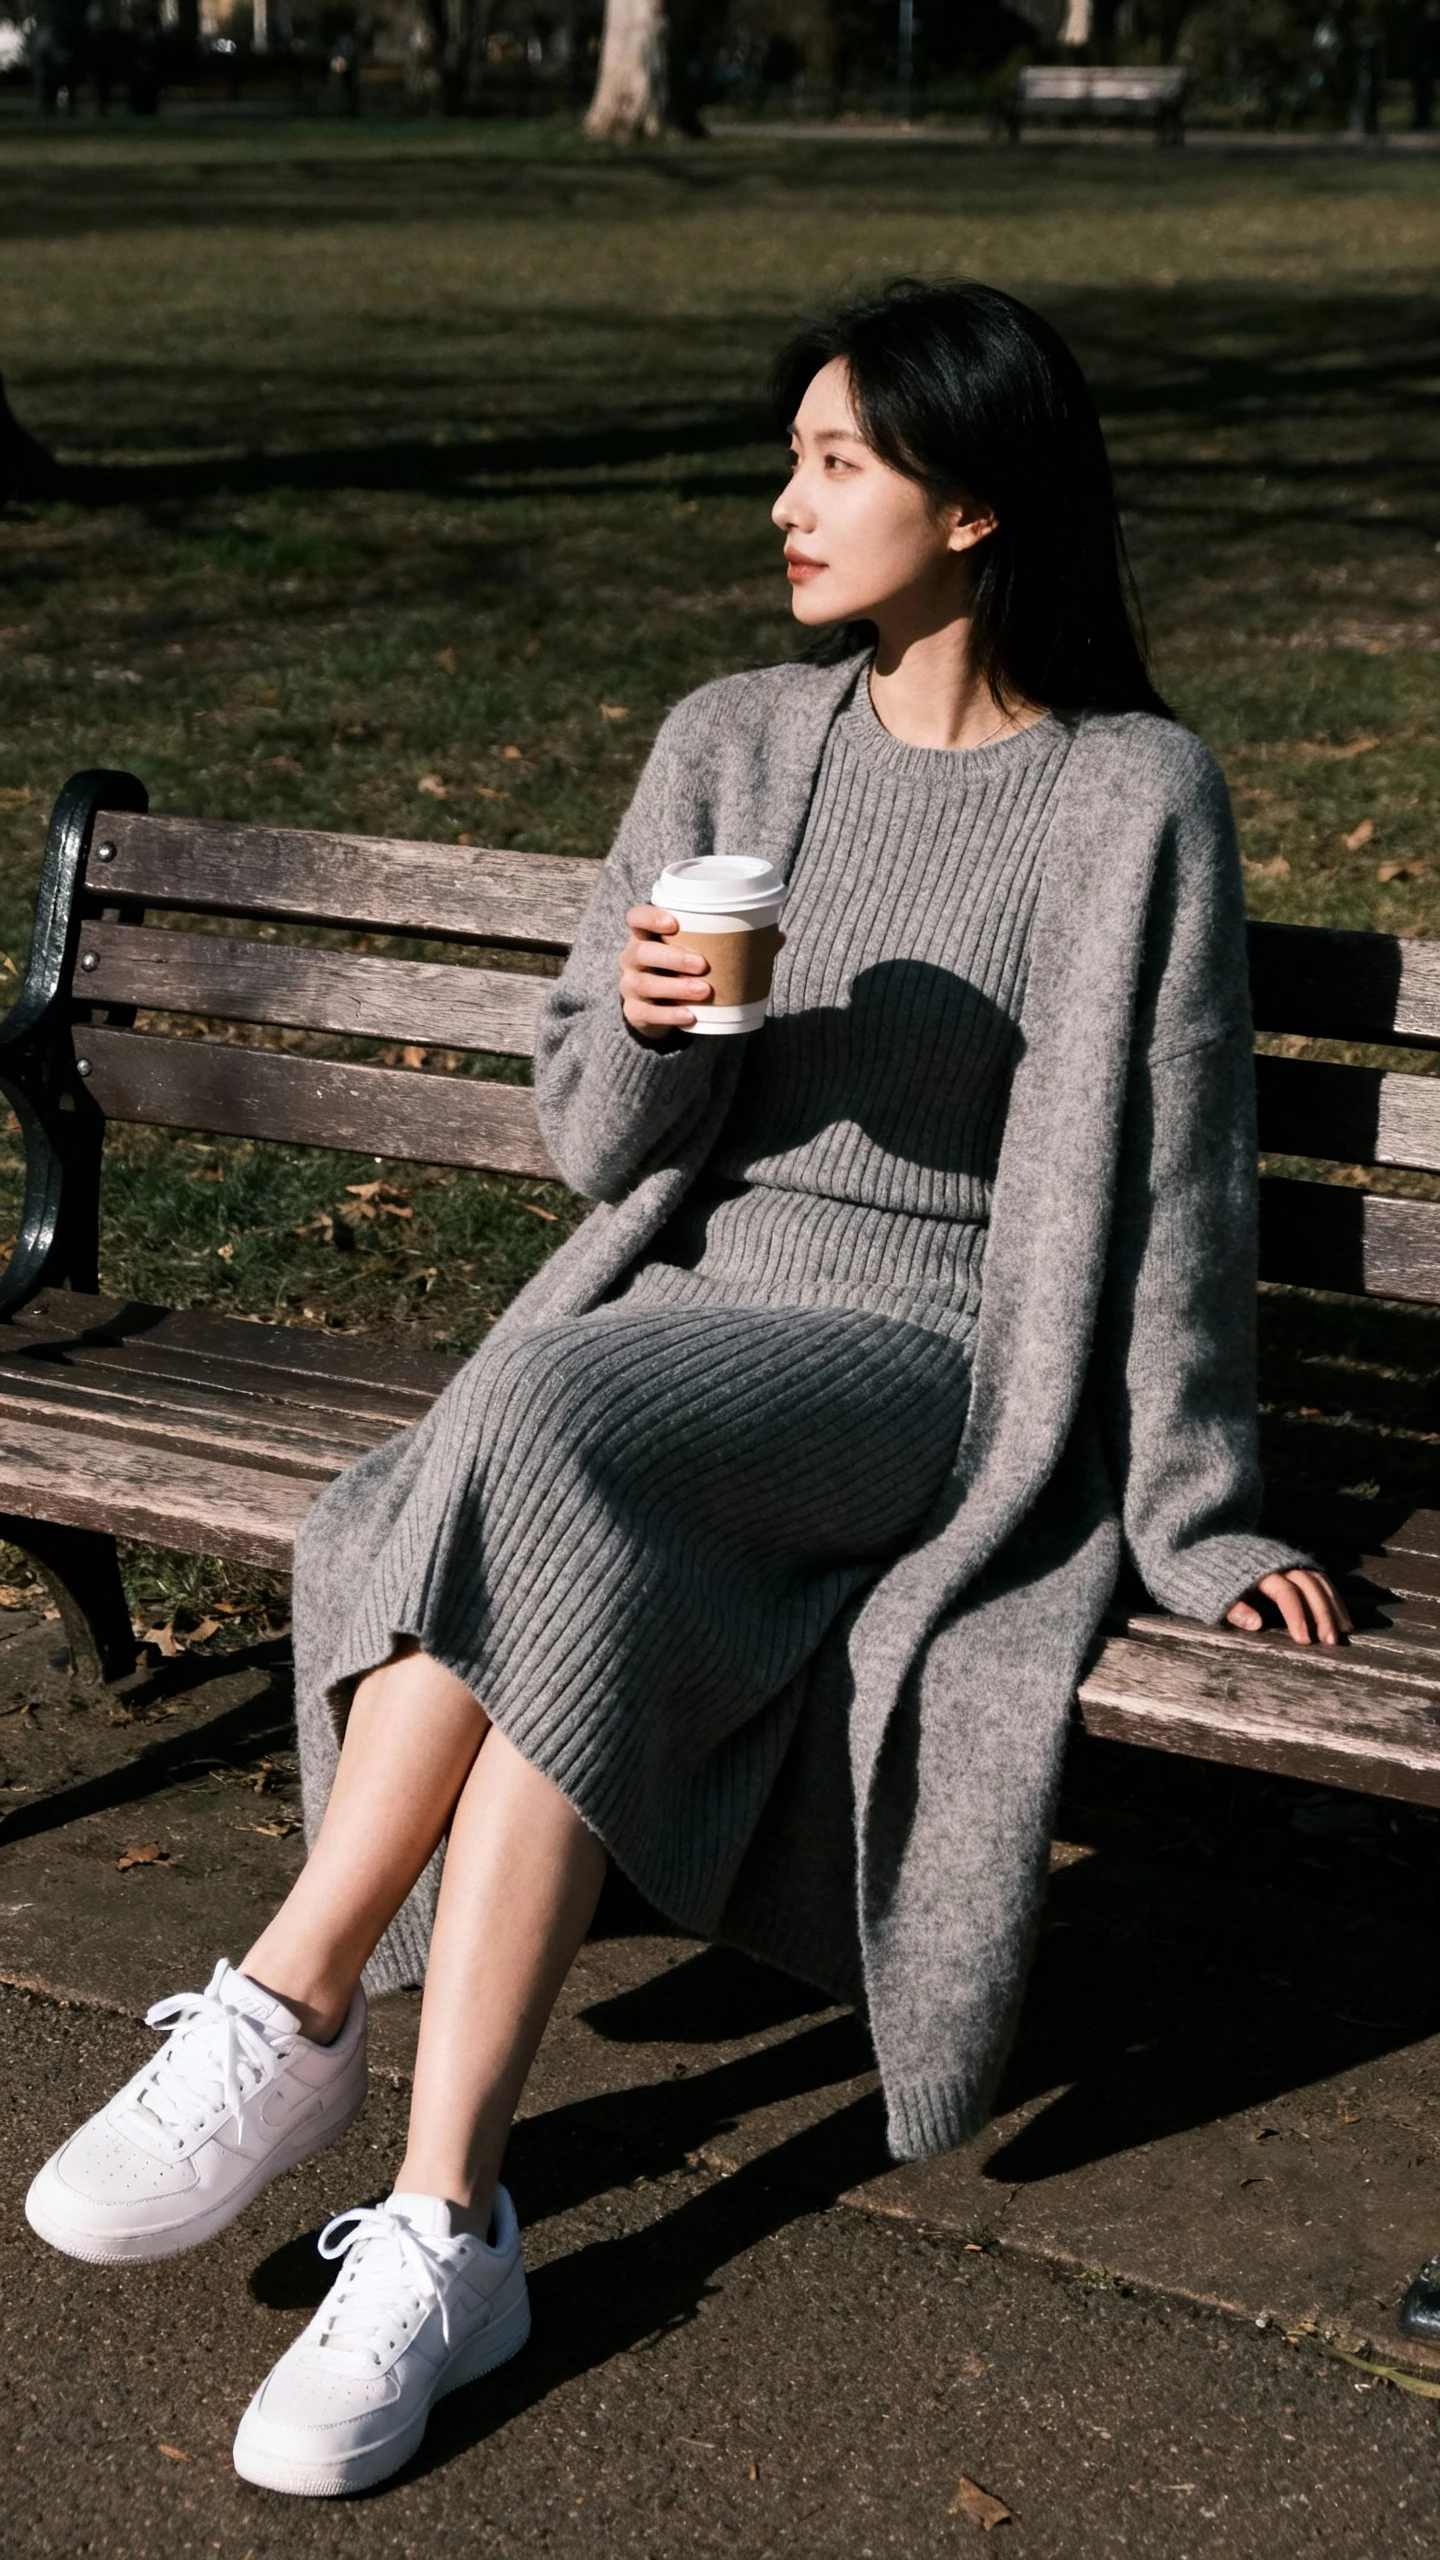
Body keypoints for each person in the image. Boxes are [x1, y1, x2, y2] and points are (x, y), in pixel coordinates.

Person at [23, 279, 1348, 2499]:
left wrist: (1200, 1508)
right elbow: (593, 1146)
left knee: (532, 1425)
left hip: (936, 1358)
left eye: (840, 461)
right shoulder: (737, 739)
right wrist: (655, 1030)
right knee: (564, 1492)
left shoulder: (1134, 794)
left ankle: (290, 1992)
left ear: (980, 496)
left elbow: (1181, 1174)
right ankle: (450, 2221)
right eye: (794, 455)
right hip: (681, 1319)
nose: (787, 502)